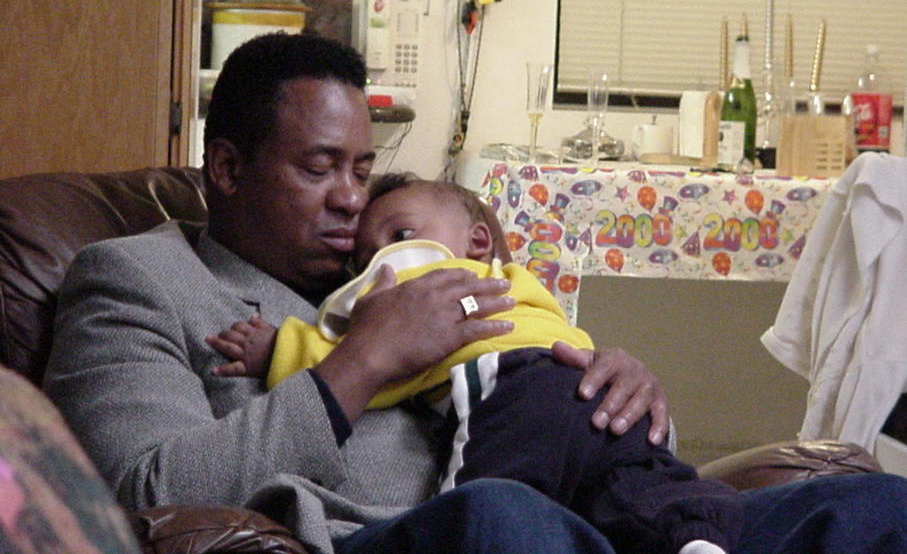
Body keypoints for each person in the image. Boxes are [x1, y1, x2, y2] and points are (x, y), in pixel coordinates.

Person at [42, 32, 907, 554]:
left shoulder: (405, 258)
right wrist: (361, 360)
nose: (350, 200)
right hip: (418, 532)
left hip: (587, 521)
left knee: (870, 506)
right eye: (318, 168)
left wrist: (615, 391)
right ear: (228, 169)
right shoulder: (136, 280)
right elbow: (139, 492)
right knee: (503, 516)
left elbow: (531, 388)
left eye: (360, 169)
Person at [208, 173, 743, 554]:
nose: (381, 265)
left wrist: (279, 349)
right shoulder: (517, 283)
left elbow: (373, 364)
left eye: (400, 237)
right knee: (645, 488)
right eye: (364, 261)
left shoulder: (428, 291)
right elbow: (559, 335)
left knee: (480, 497)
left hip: (512, 396)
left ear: (478, 241)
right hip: (581, 394)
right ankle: (694, 535)